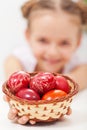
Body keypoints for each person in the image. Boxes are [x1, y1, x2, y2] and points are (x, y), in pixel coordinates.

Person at [3, 0, 87, 125]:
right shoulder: (19, 59)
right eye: (43, 40)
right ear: (28, 36)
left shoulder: (78, 65)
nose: (53, 52)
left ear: (78, 42)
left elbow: (80, 77)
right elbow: (12, 75)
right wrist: (19, 104)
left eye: (64, 43)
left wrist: (56, 104)